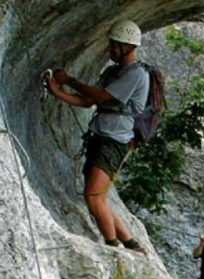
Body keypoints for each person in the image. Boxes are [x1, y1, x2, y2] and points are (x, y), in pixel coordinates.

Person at [45, 20, 149, 252]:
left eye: (115, 45)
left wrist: (70, 80)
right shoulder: (113, 72)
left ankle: (112, 248)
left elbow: (101, 96)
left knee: (93, 196)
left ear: (128, 47)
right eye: (111, 44)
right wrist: (57, 92)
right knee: (98, 197)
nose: (110, 49)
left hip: (114, 142)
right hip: (101, 138)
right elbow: (87, 101)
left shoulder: (137, 74)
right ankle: (131, 244)